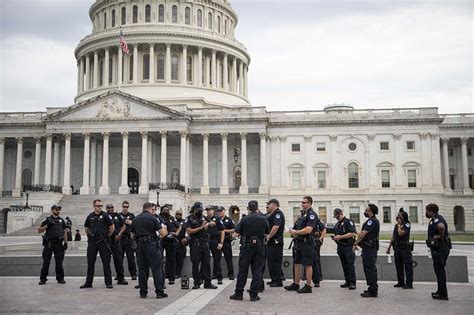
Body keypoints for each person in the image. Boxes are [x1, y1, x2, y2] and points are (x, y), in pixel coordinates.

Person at [230, 200, 269, 301]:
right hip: (260, 246)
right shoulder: (263, 218)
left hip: (246, 246)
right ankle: (254, 294)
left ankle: (238, 293)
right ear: (257, 208)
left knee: (243, 270)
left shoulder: (244, 219)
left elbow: (236, 233)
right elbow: (267, 234)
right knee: (257, 271)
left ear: (248, 208)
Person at [131, 202, 168, 299]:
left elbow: (132, 234)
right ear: (150, 209)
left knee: (142, 269)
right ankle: (159, 292)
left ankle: (143, 292)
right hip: (151, 245)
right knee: (157, 269)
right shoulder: (152, 218)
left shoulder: (136, 219)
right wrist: (165, 228)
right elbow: (163, 234)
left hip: (139, 246)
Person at [284, 196, 318, 294]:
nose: (302, 204)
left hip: (307, 242)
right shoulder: (302, 215)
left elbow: (308, 229)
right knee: (297, 263)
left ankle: (308, 286)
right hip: (298, 242)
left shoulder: (311, 215)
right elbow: (295, 228)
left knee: (307, 264)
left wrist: (296, 232)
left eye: (304, 202)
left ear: (310, 203)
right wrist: (292, 231)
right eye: (302, 202)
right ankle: (296, 283)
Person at [80, 199, 114, 289]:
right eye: (98, 206)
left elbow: (112, 227)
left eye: (101, 206)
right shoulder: (90, 216)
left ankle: (108, 282)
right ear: (94, 206)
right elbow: (86, 227)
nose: (100, 207)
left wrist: (107, 236)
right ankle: (88, 282)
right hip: (93, 242)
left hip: (103, 241)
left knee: (106, 263)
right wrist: (89, 236)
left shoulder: (106, 215)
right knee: (90, 263)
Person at [184, 202, 218, 290]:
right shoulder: (189, 219)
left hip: (205, 243)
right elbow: (189, 231)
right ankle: (197, 283)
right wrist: (201, 227)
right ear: (194, 210)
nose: (200, 211)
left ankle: (208, 283)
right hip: (195, 244)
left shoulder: (203, 217)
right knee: (195, 264)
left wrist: (209, 224)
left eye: (201, 210)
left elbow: (213, 223)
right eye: (198, 210)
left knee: (206, 263)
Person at [425, 203, 451, 300]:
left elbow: (441, 226)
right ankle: (440, 291)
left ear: (432, 211)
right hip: (442, 248)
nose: (426, 213)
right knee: (440, 270)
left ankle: (443, 294)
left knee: (440, 271)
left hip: (440, 248)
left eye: (427, 211)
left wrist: (440, 235)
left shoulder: (436, 219)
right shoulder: (438, 217)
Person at [354, 204, 380, 298]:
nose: (365, 212)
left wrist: (355, 243)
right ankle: (371, 288)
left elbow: (363, 234)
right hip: (368, 248)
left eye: (367, 210)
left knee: (370, 269)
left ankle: (373, 290)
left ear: (371, 211)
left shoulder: (372, 221)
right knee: (368, 269)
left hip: (370, 249)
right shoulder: (371, 221)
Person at [38, 205, 68, 285]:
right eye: (56, 209)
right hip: (49, 244)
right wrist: (47, 225)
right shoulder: (47, 219)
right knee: (46, 262)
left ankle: (60, 279)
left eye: (59, 209)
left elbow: (65, 231)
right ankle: (43, 279)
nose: (58, 211)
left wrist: (65, 242)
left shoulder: (62, 220)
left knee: (59, 263)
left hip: (58, 244)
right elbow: (39, 230)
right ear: (52, 210)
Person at [386, 210, 413, 289]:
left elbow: (401, 233)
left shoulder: (406, 224)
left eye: (399, 216)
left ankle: (409, 283)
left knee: (407, 266)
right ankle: (401, 282)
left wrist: (399, 225)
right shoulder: (396, 225)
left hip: (405, 248)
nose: (397, 217)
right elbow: (394, 236)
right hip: (397, 248)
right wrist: (389, 247)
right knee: (398, 265)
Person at [332, 208, 357, 290]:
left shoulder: (348, 222)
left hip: (348, 246)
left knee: (350, 265)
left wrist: (341, 237)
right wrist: (336, 238)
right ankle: (347, 281)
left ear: (341, 214)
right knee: (344, 265)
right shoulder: (337, 224)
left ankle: (352, 282)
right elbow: (336, 234)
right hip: (340, 246)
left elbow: (352, 233)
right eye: (336, 216)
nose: (337, 218)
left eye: (338, 216)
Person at [106, 203, 128, 285]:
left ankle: (121, 278)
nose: (110, 209)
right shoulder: (104, 216)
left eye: (112, 207)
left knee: (118, 260)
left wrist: (119, 234)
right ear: (106, 209)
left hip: (116, 240)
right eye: (108, 208)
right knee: (106, 261)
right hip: (107, 241)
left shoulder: (117, 215)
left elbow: (124, 226)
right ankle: (108, 281)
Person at [265, 198, 285, 287]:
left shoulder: (277, 214)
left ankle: (277, 281)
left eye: (269, 204)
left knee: (275, 262)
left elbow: (276, 226)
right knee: (271, 261)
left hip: (275, 242)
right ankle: (274, 279)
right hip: (272, 242)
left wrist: (269, 236)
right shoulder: (272, 214)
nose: (267, 206)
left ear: (274, 204)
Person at [160, 205, 181, 285]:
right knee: (160, 259)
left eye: (167, 210)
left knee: (171, 260)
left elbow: (179, 226)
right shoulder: (159, 218)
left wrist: (176, 234)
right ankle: (162, 277)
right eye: (164, 210)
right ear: (162, 211)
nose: (166, 212)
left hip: (170, 240)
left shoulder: (171, 218)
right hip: (161, 240)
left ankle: (171, 278)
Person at [206, 206, 225, 285]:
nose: (208, 211)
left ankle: (219, 277)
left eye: (209, 210)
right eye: (207, 210)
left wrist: (221, 242)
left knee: (217, 260)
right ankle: (206, 277)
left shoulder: (217, 219)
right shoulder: (205, 219)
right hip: (206, 240)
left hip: (215, 240)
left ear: (213, 211)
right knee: (205, 260)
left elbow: (222, 230)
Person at [120, 200, 137, 280]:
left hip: (128, 238)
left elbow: (136, 225)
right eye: (124, 207)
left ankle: (133, 274)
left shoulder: (132, 216)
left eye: (127, 207)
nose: (125, 208)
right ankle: (119, 274)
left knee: (130, 257)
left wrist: (131, 222)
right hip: (120, 238)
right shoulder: (118, 216)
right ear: (122, 207)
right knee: (119, 258)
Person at [219, 206, 235, 280]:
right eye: (219, 211)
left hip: (226, 241)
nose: (220, 212)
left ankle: (231, 274)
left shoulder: (229, 220)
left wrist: (224, 231)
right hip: (218, 241)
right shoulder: (217, 220)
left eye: (221, 211)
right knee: (217, 258)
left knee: (228, 258)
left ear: (224, 211)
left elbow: (233, 230)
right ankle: (216, 274)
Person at [312, 214, 326, 287]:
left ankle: (318, 276)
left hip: (315, 241)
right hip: (307, 242)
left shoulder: (316, 220)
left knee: (316, 259)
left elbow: (324, 229)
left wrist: (320, 239)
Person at [174, 208, 187, 279]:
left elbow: (188, 233)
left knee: (180, 259)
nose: (178, 215)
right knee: (173, 259)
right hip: (173, 243)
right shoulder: (172, 221)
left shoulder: (185, 222)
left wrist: (186, 239)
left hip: (181, 243)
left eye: (180, 214)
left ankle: (178, 273)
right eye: (177, 214)